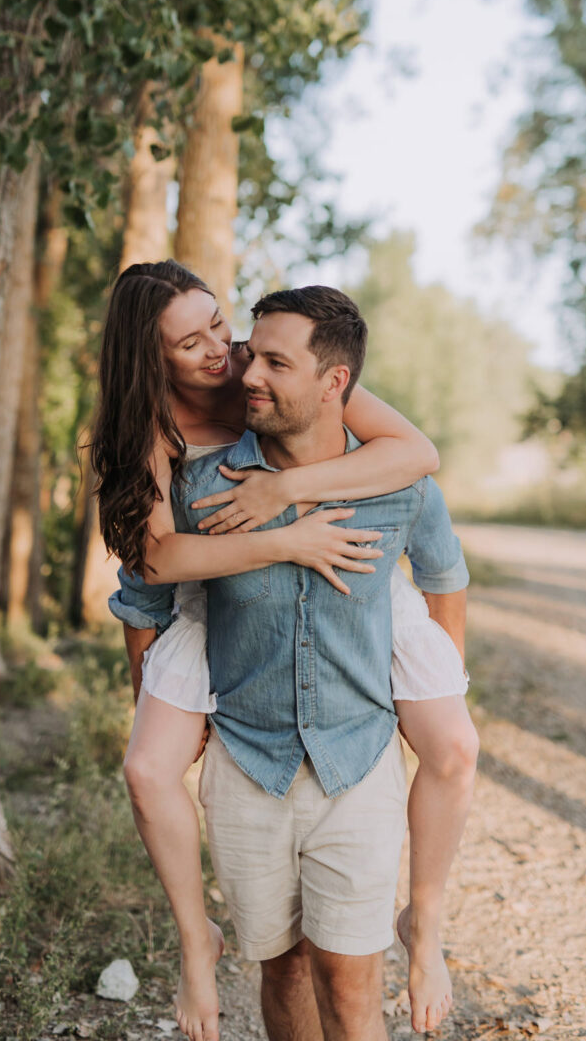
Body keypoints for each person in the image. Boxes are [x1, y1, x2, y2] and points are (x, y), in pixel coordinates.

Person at [95, 264, 477, 1039]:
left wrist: (285, 494)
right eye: (189, 342)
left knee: (452, 742)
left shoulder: (267, 368)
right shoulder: (160, 443)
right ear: (150, 359)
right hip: (221, 614)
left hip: (347, 678)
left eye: (218, 326)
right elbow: (152, 572)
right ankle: (195, 943)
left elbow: (416, 456)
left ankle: (426, 925)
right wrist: (283, 541)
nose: (223, 356)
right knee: (148, 768)